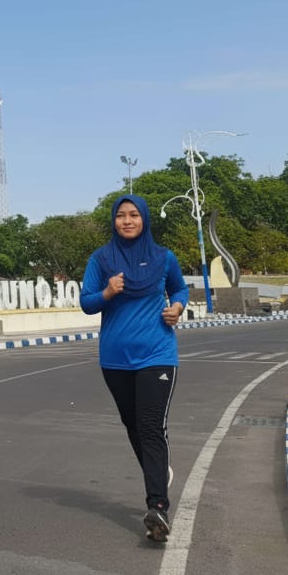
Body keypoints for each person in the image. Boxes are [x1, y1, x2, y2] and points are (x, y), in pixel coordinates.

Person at [80, 194, 189, 543]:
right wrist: (108, 292)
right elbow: (86, 302)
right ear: (113, 220)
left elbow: (180, 288)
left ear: (144, 219)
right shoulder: (101, 259)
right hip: (114, 358)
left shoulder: (163, 257)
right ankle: (158, 473)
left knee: (151, 426)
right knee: (133, 425)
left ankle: (157, 505)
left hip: (157, 354)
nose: (127, 221)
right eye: (121, 216)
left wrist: (178, 307)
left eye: (134, 215)